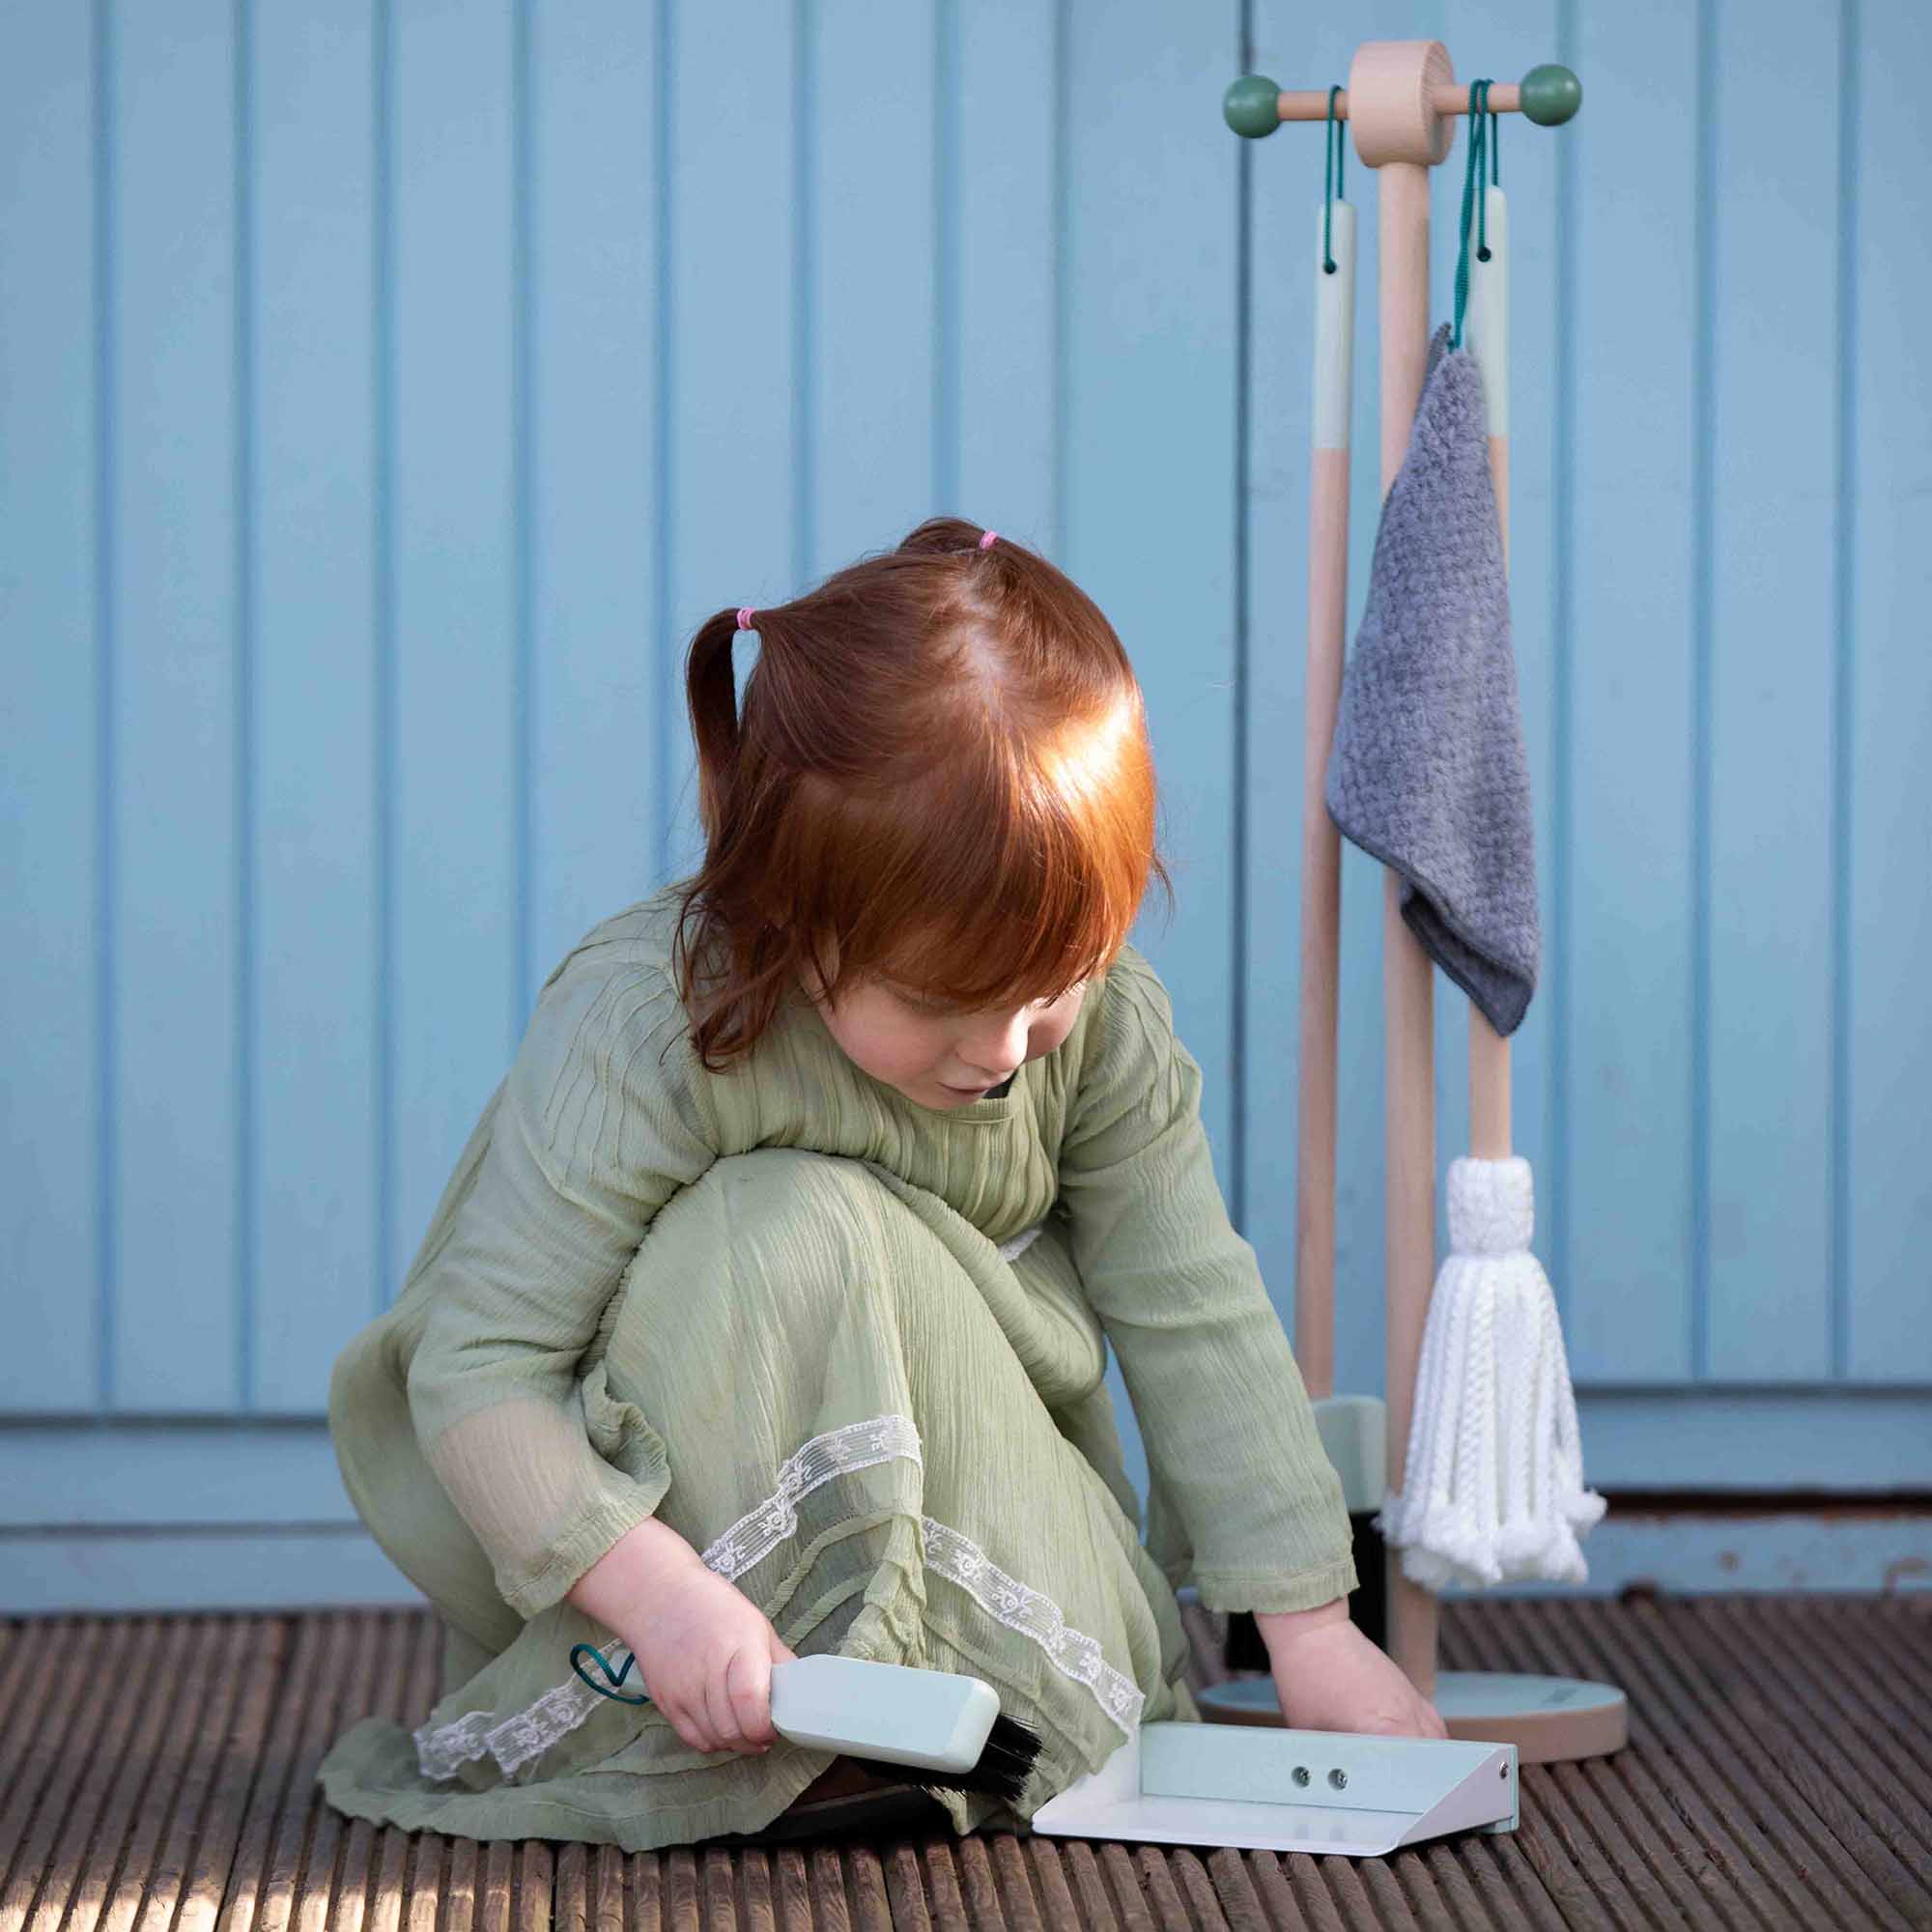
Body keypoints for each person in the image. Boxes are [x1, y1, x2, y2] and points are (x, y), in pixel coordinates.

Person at [315, 516, 1445, 1854]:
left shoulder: (1102, 1036)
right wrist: (660, 1597)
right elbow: (482, 1371)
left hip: (983, 1521)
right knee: (792, 1225)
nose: (1004, 1048)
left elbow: (1192, 1310)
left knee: (922, 1256)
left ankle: (926, 1721)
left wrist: (1313, 1633)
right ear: (794, 919)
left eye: (1053, 984)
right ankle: (774, 1728)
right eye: (942, 1002)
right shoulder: (652, 1026)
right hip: (677, 1590)